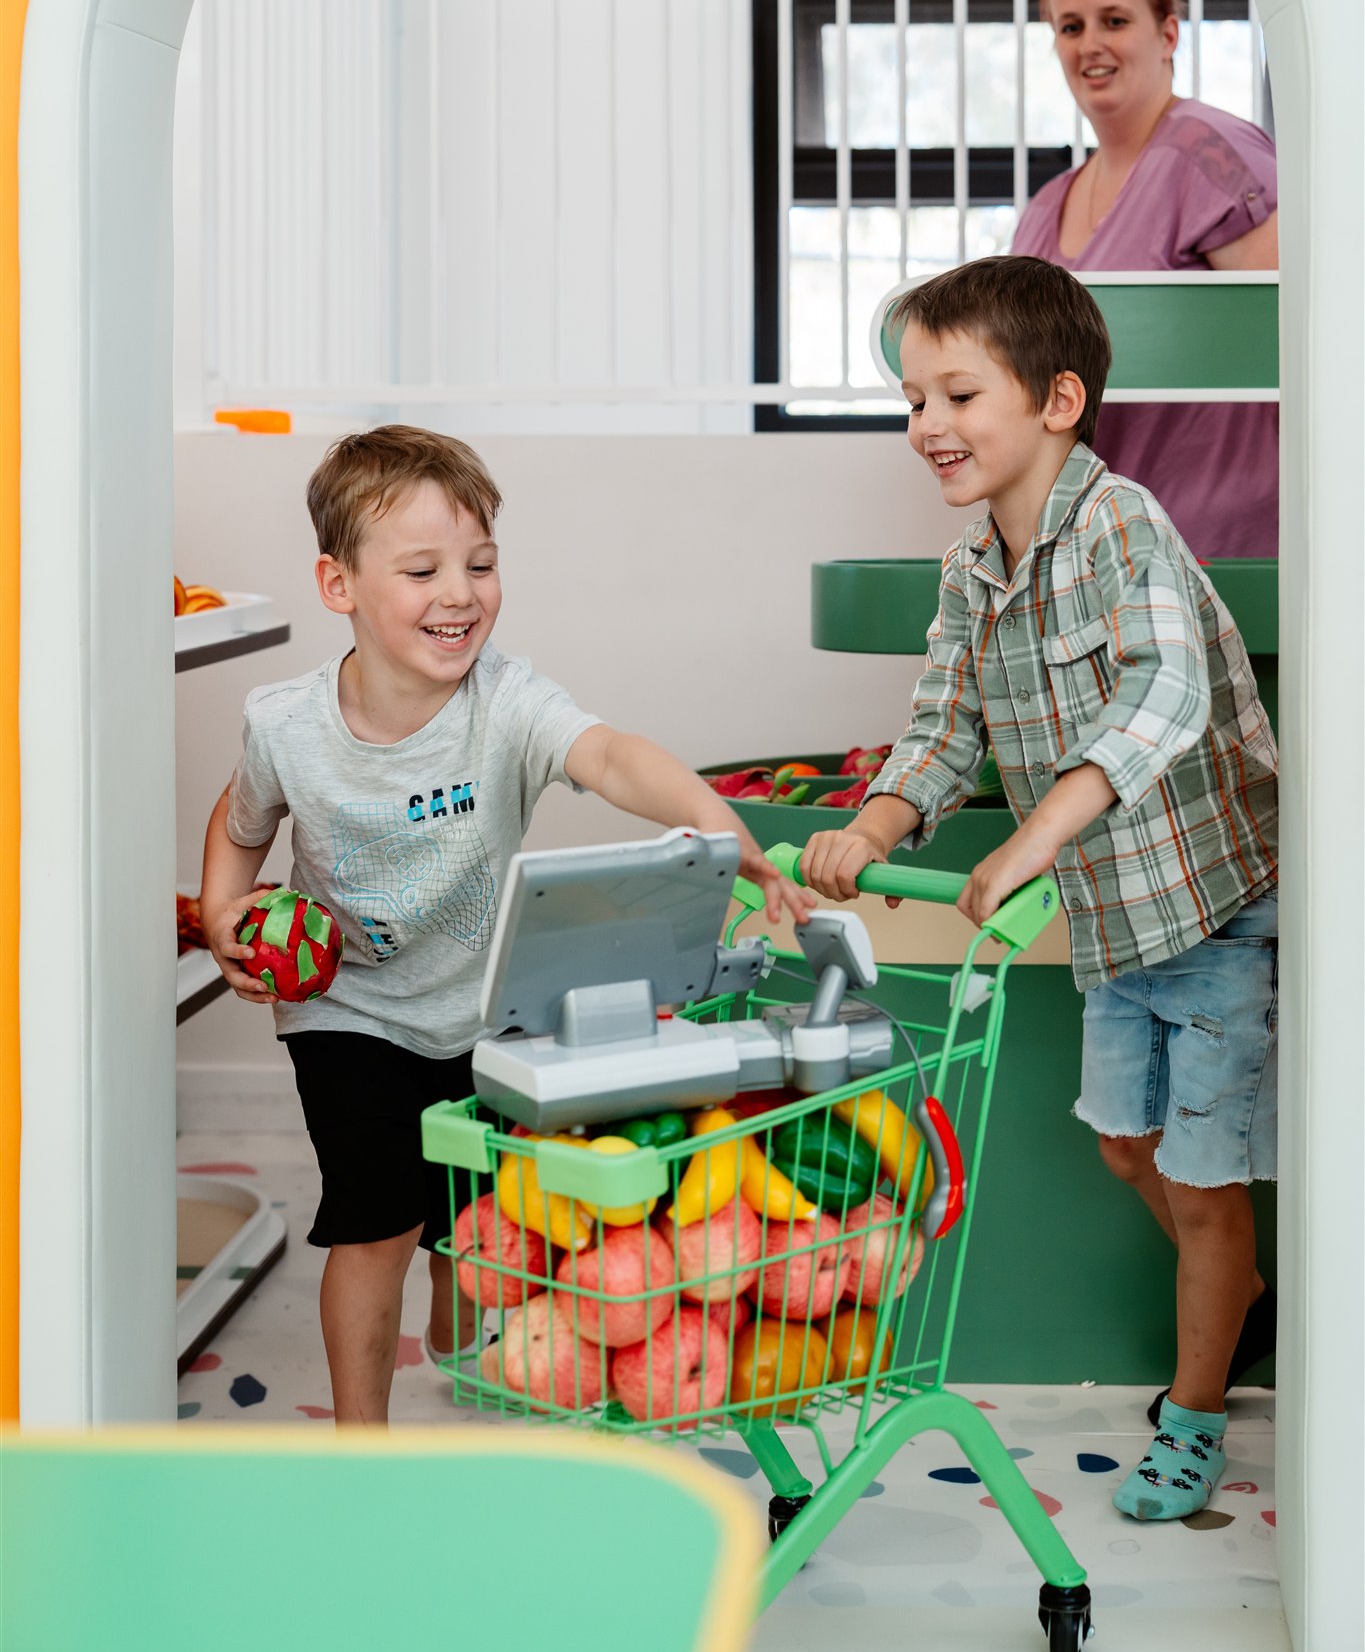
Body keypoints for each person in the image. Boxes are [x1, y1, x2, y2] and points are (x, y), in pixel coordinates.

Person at [200, 423, 806, 1425]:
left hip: (490, 1008)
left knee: (469, 1216)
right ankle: (360, 1447)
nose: (460, 592)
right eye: (423, 568)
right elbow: (240, 818)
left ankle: (453, 1281)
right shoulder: (286, 725)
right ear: (338, 583)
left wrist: (716, 822)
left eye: (480, 563)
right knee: (374, 1223)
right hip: (348, 1012)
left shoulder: (511, 702)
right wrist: (225, 908)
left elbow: (611, 755)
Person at [800, 257, 1278, 1521]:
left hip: (1219, 898)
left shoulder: (1124, 526)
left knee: (1203, 1172)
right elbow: (945, 726)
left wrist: (1034, 835)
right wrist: (880, 818)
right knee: (1126, 1148)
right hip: (1123, 919)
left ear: (1059, 398)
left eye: (958, 392)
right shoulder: (971, 568)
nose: (927, 426)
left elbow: (1164, 693)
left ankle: (1195, 1410)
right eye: (912, 400)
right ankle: (1244, 1304)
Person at [1013, 0, 1278, 560]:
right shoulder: (1044, 210)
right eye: (1070, 27)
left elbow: (1297, 349)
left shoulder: (1214, 156)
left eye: (1115, 20)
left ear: (1167, 33)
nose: (1091, 44)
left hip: (1220, 543)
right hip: (1099, 556)